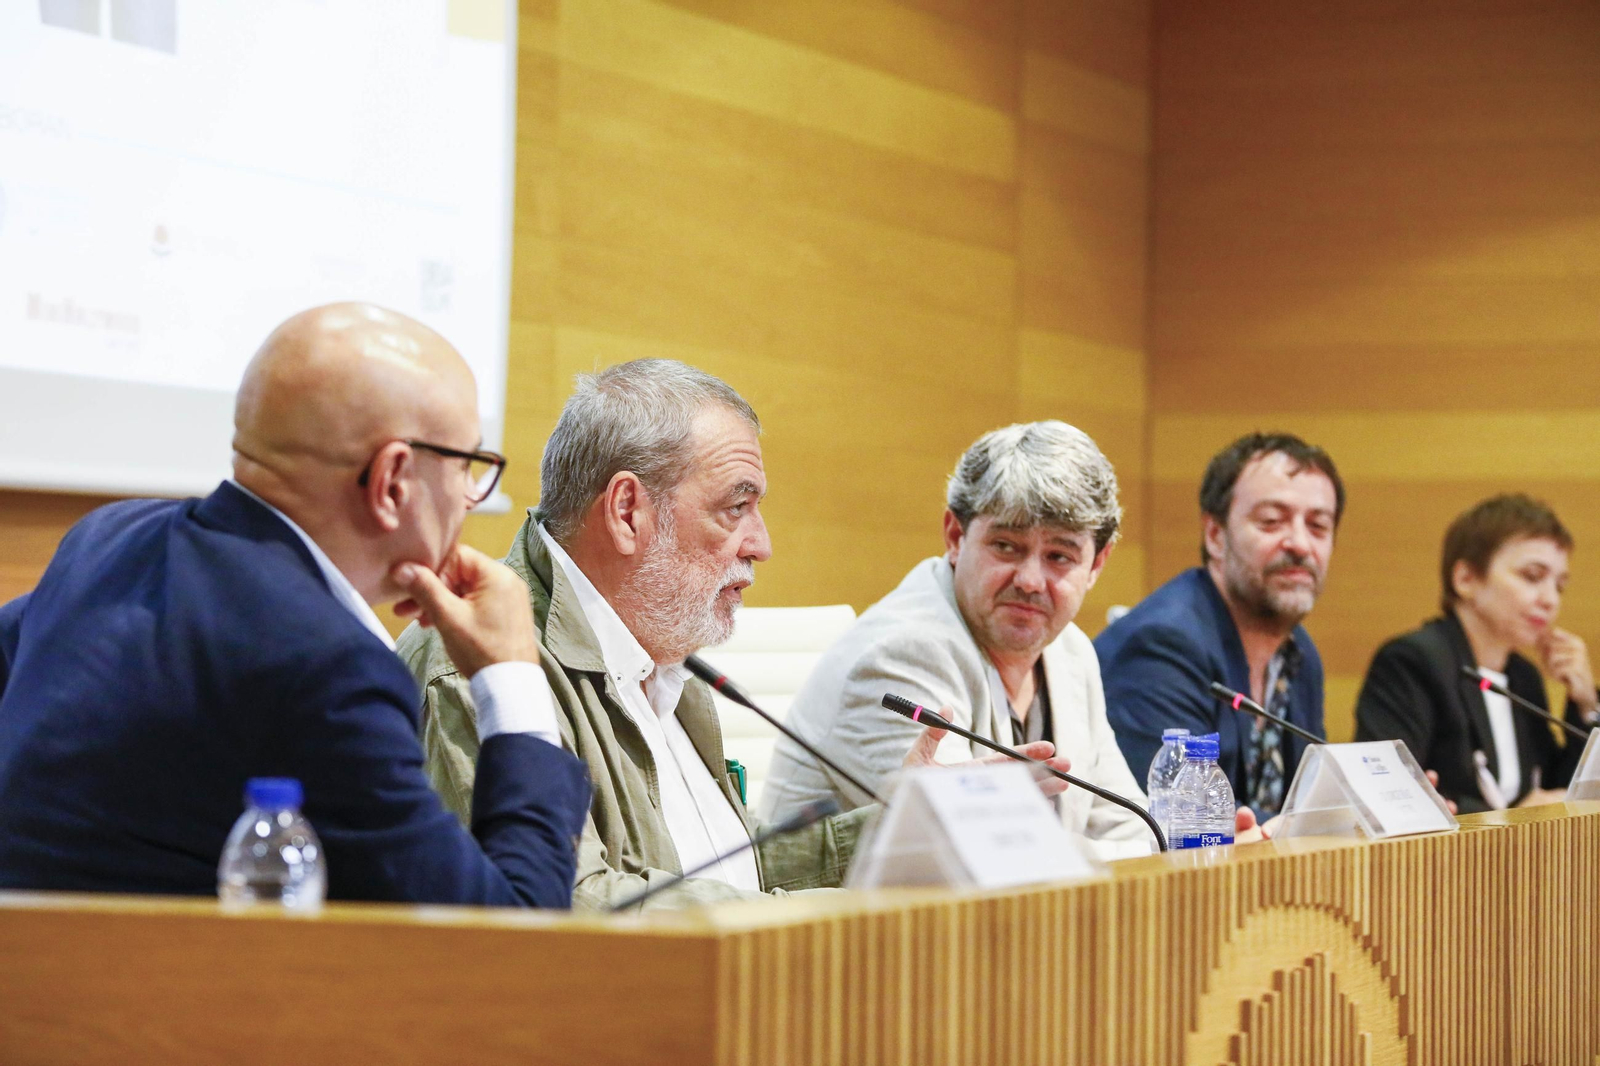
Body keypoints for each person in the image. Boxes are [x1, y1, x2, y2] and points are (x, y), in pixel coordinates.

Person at [399, 360, 1070, 909]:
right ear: (629, 511)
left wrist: (907, 832)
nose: (763, 544)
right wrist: (819, 917)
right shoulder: (479, 656)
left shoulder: (662, 656)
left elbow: (723, 868)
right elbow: (570, 908)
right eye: (736, 508)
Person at [0, 303, 590, 906]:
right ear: (392, 482)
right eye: (468, 465)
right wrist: (512, 677)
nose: (470, 495)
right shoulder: (327, 671)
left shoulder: (109, 538)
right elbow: (511, 939)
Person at [761, 421, 1166, 859]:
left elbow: (1130, 826)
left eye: (1059, 557)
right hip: (850, 923)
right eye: (1006, 546)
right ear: (956, 537)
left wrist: (1200, 845)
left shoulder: (1069, 651)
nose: (1030, 580)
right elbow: (988, 852)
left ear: (1097, 564)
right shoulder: (897, 654)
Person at [1096, 432, 1341, 821]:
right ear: (1215, 535)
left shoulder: (1299, 654)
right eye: (1271, 521)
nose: (1299, 543)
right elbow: (1185, 818)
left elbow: (1306, 805)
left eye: (1318, 526)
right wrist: (1339, 823)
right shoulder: (1162, 645)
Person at [1354, 494, 1598, 812]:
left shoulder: (1522, 677)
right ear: (1466, 579)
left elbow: (1559, 791)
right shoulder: (1412, 661)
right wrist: (1510, 820)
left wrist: (1586, 707)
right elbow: (1389, 796)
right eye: (1533, 577)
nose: (1550, 599)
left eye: (1559, 586)